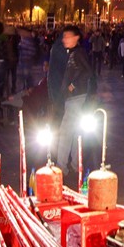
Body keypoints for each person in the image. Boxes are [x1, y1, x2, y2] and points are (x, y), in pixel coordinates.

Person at [54, 26, 95, 184]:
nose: (64, 39)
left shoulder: (78, 53)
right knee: (75, 131)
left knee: (65, 132)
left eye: (67, 36)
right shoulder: (73, 53)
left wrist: (73, 85)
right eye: (63, 36)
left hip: (75, 98)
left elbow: (88, 71)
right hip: (75, 97)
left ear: (76, 38)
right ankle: (76, 164)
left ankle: (61, 166)